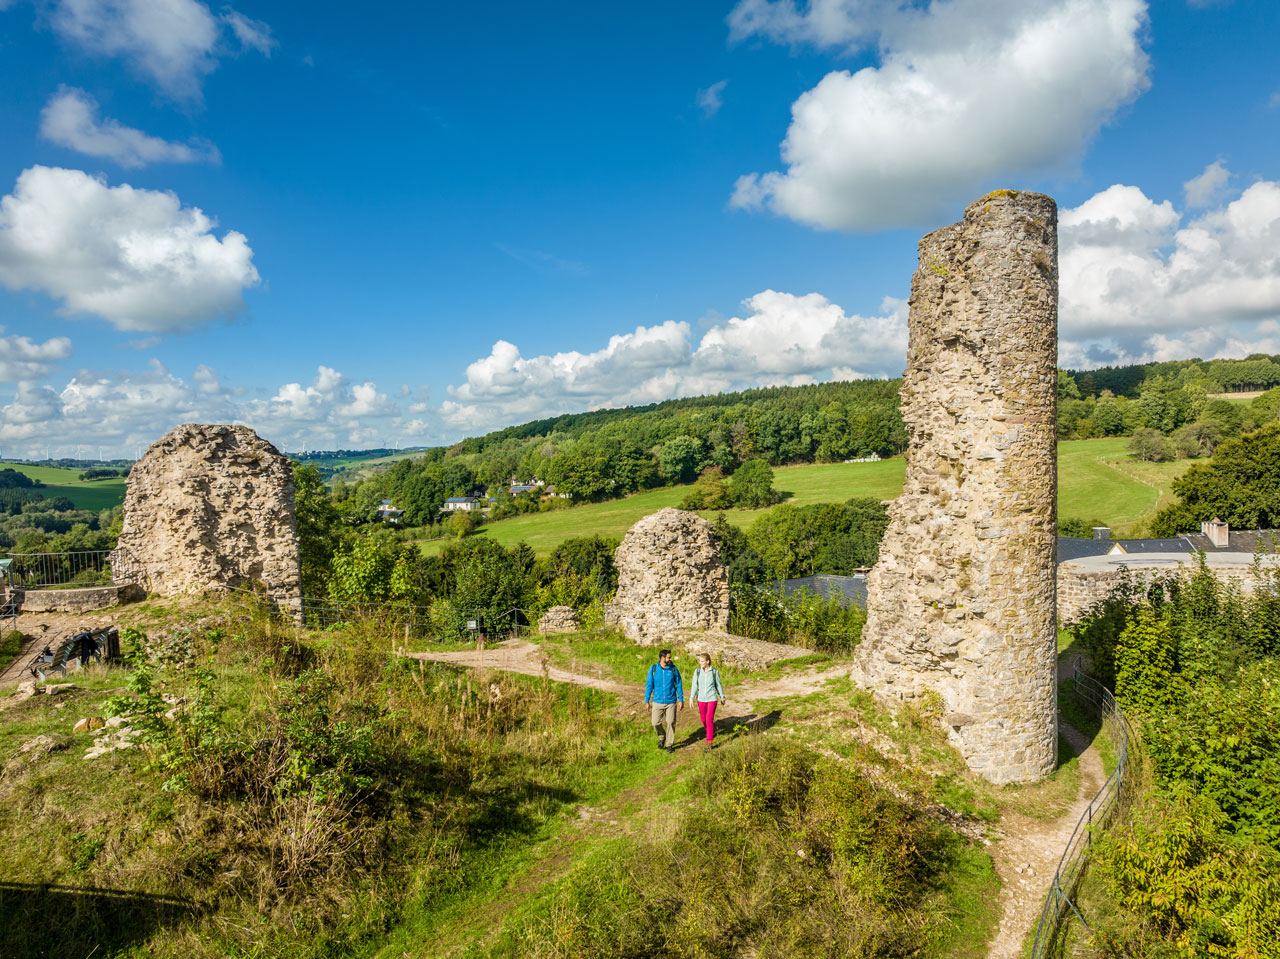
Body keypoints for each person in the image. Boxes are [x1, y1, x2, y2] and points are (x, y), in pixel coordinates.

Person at [644, 648, 683, 753]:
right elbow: (649, 685)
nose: (670, 659)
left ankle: (669, 744)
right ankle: (662, 737)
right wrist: (647, 701)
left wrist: (681, 699)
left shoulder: (673, 669)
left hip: (671, 701)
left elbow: (679, 684)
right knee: (655, 723)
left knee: (671, 722)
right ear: (662, 658)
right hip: (657, 701)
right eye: (668, 657)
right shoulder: (653, 669)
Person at [688, 652, 726, 751]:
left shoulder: (714, 672)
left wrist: (722, 696)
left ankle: (709, 742)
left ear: (707, 661)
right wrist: (691, 698)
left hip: (712, 699)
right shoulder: (697, 672)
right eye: (699, 661)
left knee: (709, 719)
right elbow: (694, 686)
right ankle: (710, 730)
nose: (700, 663)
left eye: (702, 661)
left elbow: (718, 685)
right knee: (703, 720)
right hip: (701, 699)